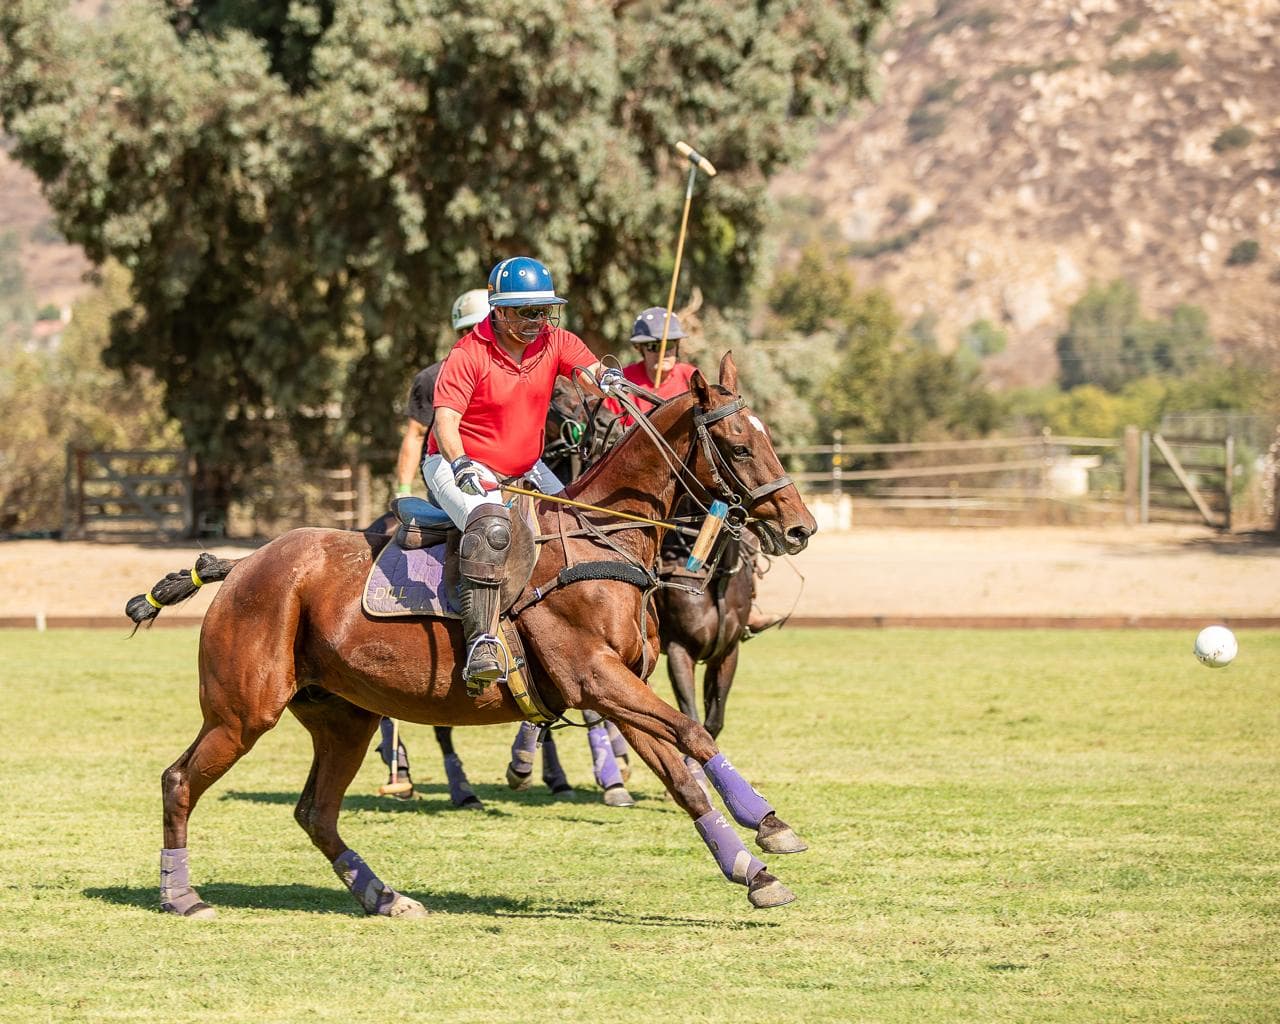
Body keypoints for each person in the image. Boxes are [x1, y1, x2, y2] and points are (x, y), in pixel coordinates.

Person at [424, 255, 623, 689]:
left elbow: (589, 373)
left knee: (572, 519)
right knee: (491, 526)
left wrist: (608, 379)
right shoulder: (468, 354)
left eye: (544, 310)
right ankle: (482, 642)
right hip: (456, 461)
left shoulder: (554, 340)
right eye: (527, 312)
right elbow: (445, 423)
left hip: (524, 465)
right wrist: (460, 464)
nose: (538, 321)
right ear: (499, 311)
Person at [601, 307, 699, 427]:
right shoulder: (622, 381)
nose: (663, 352)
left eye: (669, 344)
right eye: (654, 346)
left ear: (677, 345)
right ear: (639, 348)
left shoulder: (690, 376)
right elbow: (609, 427)